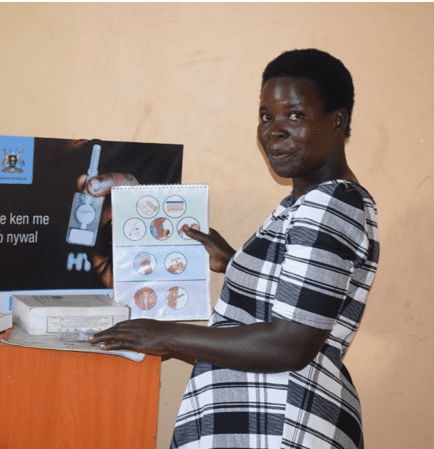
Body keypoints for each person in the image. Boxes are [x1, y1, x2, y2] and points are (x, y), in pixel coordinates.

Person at [86, 48, 380, 449]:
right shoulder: (305, 204)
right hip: (266, 422)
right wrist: (235, 263)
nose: (273, 130)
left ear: (337, 121)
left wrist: (165, 335)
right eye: (266, 116)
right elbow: (298, 294)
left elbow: (289, 343)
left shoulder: (332, 204)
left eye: (295, 115)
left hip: (282, 427)